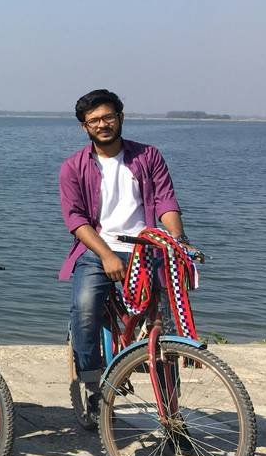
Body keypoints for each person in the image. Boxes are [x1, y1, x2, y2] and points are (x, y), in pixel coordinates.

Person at [58, 88, 184, 417]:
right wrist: (107, 255)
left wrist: (177, 240)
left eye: (108, 117)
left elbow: (166, 202)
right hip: (97, 250)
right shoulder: (73, 167)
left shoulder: (149, 156)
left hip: (147, 250)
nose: (103, 124)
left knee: (164, 325)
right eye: (94, 120)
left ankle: (171, 408)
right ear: (84, 127)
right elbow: (76, 220)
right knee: (84, 309)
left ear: (121, 118)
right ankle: (91, 385)